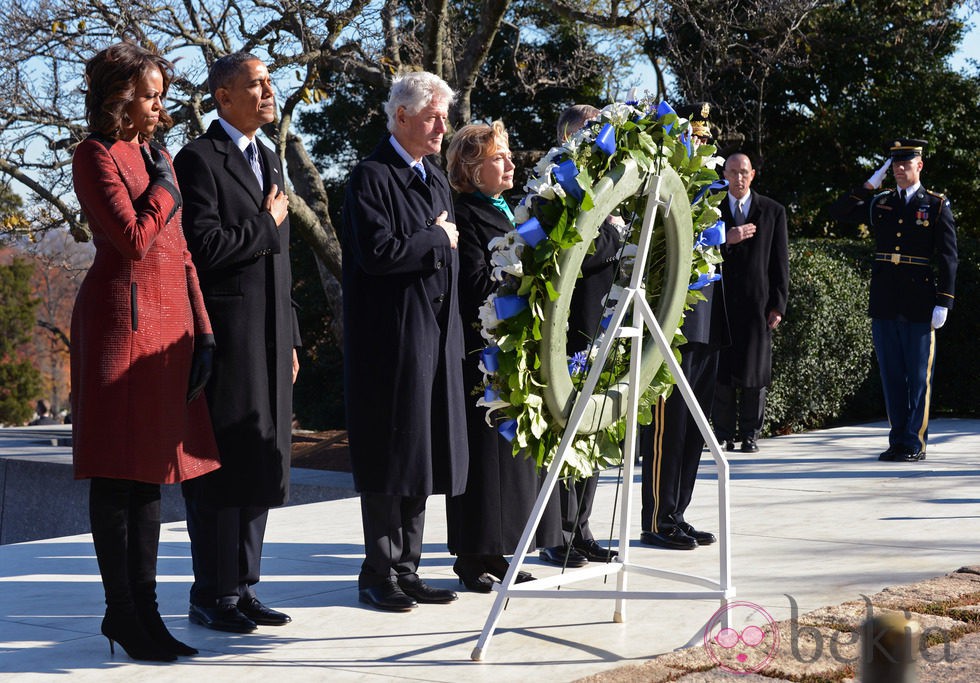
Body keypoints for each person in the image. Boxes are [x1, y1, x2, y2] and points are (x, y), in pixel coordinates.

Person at [71, 42, 221, 661]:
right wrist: (163, 189)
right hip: (117, 325)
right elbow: (133, 240)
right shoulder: (95, 154)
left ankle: (149, 614)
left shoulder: (155, 153)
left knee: (153, 476)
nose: (160, 106)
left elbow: (181, 252)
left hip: (170, 326)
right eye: (150, 95)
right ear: (119, 98)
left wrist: (204, 330)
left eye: (161, 95)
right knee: (117, 474)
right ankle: (121, 613)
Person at [174, 52, 301, 633]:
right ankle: (213, 594)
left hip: (272, 337)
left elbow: (283, 264)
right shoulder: (197, 159)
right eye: (257, 84)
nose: (269, 91)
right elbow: (201, 248)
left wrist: (293, 335)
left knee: (260, 458)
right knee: (222, 466)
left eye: (270, 82)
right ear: (224, 97)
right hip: (227, 338)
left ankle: (245, 586)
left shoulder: (270, 157)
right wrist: (264, 223)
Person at [342, 71, 468, 612]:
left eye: (445, 115)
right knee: (391, 454)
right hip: (391, 339)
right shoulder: (370, 177)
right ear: (401, 117)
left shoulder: (435, 178)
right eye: (433, 116)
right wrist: (435, 237)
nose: (443, 126)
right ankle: (379, 571)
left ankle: (409, 565)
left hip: (436, 334)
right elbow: (379, 254)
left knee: (422, 453)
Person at [444, 121, 561, 591]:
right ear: (473, 169)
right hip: (483, 352)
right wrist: (517, 275)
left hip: (514, 347)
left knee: (508, 458)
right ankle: (473, 558)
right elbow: (472, 281)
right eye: (499, 158)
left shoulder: (507, 209)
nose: (511, 164)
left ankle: (498, 550)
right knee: (484, 461)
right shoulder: (466, 213)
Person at [638, 103, 731, 551]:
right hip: (672, 324)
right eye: (694, 139)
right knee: (666, 427)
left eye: (706, 140)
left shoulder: (709, 187)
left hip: (707, 322)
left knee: (693, 429)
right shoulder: (662, 183)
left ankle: (677, 513)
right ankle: (656, 517)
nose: (702, 146)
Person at [829, 139, 957, 462]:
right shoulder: (882, 202)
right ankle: (897, 438)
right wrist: (870, 184)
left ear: (919, 166)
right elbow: (839, 211)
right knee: (891, 375)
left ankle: (915, 442)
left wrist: (944, 301)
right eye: (894, 164)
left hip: (919, 303)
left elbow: (948, 258)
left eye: (906, 163)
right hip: (886, 301)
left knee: (917, 377)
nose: (900, 169)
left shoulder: (936, 205)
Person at [538, 104, 623, 569]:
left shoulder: (607, 178)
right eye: (589, 132)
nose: (598, 139)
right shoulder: (556, 176)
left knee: (593, 428)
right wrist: (613, 234)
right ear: (567, 134)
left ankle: (582, 528)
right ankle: (558, 533)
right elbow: (573, 245)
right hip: (568, 322)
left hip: (601, 320)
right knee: (564, 428)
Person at [712, 152, 789, 453]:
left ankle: (750, 434)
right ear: (725, 175)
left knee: (755, 372)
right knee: (723, 370)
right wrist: (725, 238)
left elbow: (780, 262)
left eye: (744, 172)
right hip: (721, 301)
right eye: (733, 172)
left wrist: (778, 305)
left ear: (752, 175)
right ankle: (722, 433)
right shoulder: (713, 209)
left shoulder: (772, 211)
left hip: (758, 303)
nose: (739, 178)